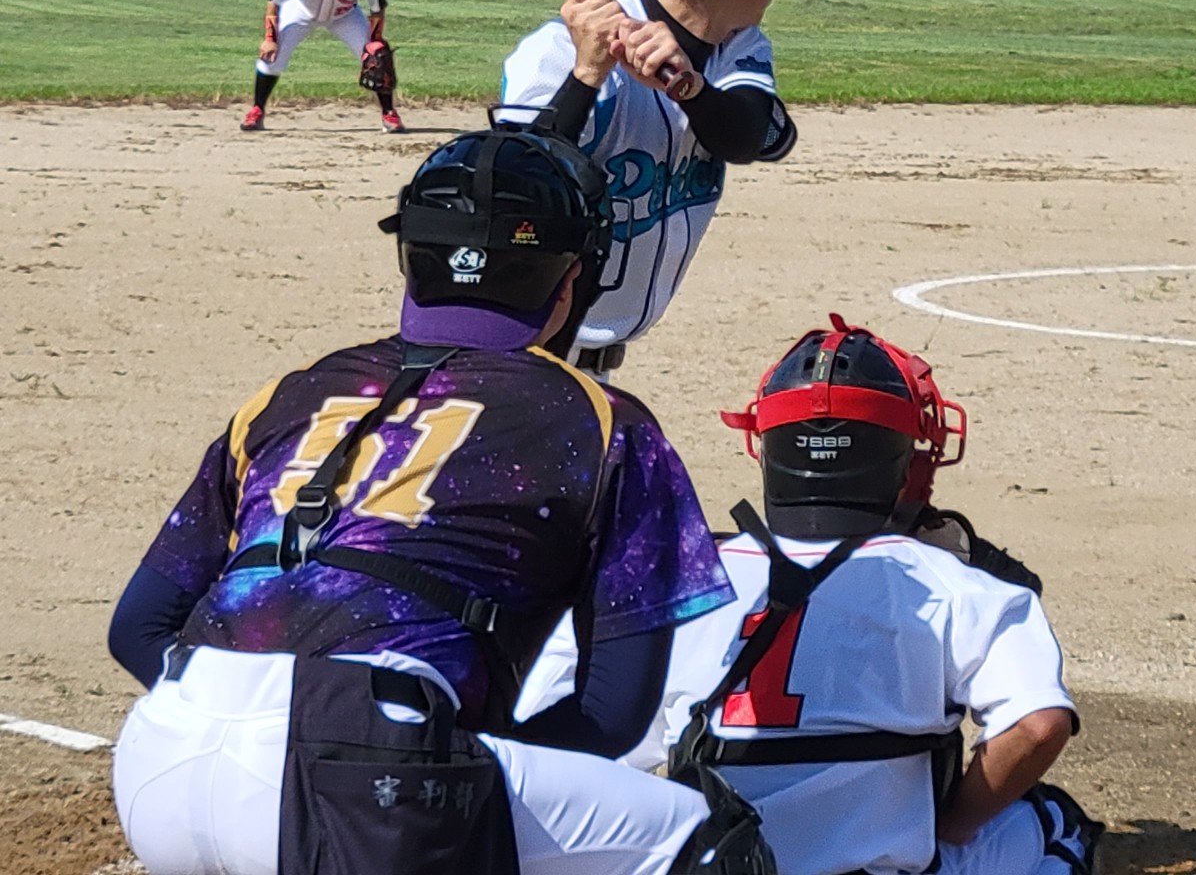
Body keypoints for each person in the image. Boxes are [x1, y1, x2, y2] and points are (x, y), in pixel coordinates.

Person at [105, 126, 773, 875]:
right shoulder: (605, 418)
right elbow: (613, 716)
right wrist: (450, 761)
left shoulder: (290, 391)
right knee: (707, 840)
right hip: (371, 770)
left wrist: (246, 715)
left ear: (411, 256)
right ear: (574, 280)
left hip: (159, 757)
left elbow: (137, 627)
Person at [521, 317, 1099, 875]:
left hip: (708, 862)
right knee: (1052, 823)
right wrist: (953, 823)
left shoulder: (668, 575)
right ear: (904, 458)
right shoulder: (960, 586)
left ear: (765, 447)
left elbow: (543, 732)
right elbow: (1037, 726)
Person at [499, 0, 813, 376]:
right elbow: (512, 196)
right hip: (514, 359)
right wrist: (587, 75)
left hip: (592, 370)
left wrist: (688, 88)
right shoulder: (556, 52)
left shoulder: (737, 47)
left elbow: (749, 138)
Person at [242, 0, 401, 134]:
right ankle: (257, 110)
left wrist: (374, 41)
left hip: (345, 16)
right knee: (272, 57)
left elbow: (377, 7)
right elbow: (274, 3)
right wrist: (270, 38)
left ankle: (389, 113)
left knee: (378, 59)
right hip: (301, 11)